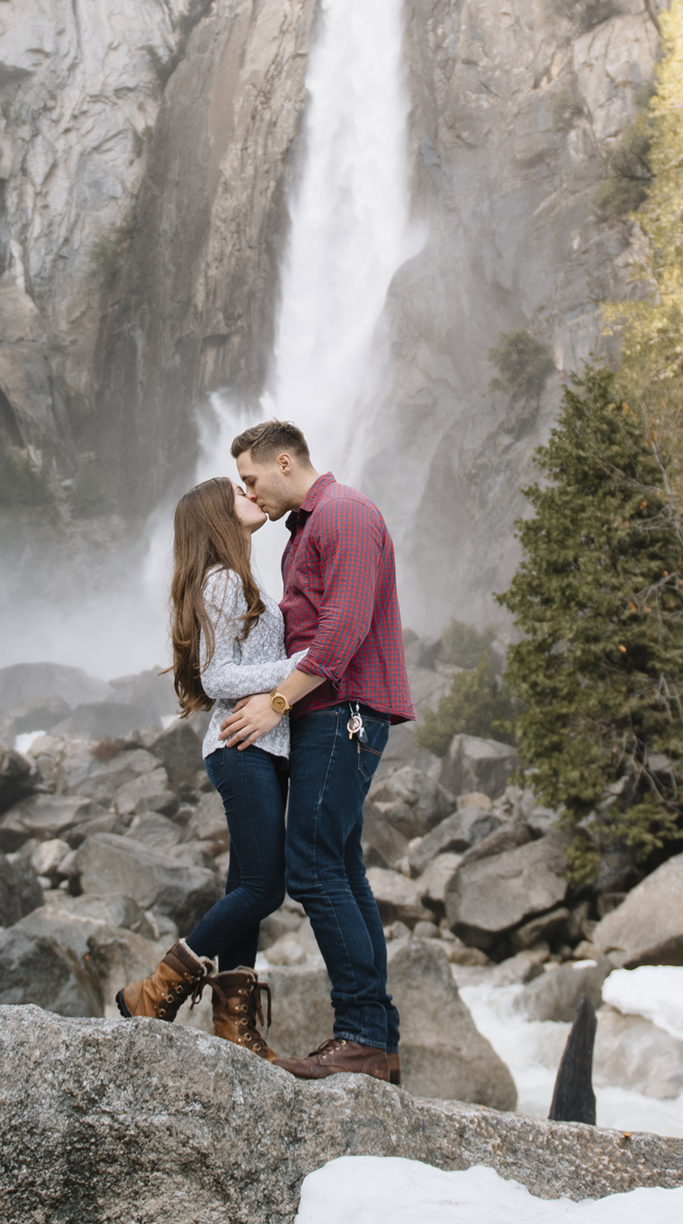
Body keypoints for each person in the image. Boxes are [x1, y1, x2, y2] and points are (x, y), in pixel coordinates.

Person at [217, 418, 413, 1083]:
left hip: (347, 711)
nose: (249, 493)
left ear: (282, 462)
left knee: (310, 866)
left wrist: (272, 704)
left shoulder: (346, 513)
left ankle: (361, 1032)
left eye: (250, 479)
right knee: (339, 864)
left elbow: (342, 633)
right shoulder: (306, 530)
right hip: (328, 712)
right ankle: (373, 1040)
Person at [114, 476, 308, 1057]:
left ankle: (234, 1026)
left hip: (261, 749)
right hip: (240, 749)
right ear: (218, 518)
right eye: (239, 494)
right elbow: (216, 676)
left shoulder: (239, 578)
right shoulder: (224, 581)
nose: (252, 495)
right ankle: (154, 993)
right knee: (264, 888)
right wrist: (298, 665)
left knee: (245, 885)